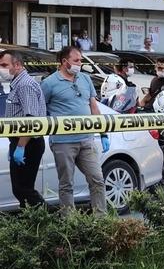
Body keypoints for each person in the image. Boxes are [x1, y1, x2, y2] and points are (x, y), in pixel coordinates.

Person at [41, 46, 108, 214]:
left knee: (97, 179)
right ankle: (69, 223)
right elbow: (41, 110)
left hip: (86, 139)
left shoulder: (85, 79)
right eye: (76, 60)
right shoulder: (49, 83)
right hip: (63, 142)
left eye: (81, 60)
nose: (80, 63)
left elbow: (94, 107)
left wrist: (103, 133)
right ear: (64, 62)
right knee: (66, 184)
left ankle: (101, 221)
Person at [1, 50, 47, 209]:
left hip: (28, 143)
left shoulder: (25, 85)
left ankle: (47, 218)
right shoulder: (18, 84)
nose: (2, 69)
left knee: (23, 189)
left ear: (18, 65)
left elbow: (31, 120)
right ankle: (31, 223)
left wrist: (20, 147)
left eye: (4, 65)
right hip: (21, 142)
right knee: (21, 190)